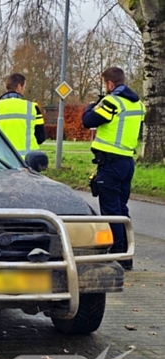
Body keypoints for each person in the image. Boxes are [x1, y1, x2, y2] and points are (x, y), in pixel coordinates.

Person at [82, 67, 145, 270]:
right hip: (127, 161)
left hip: (110, 163)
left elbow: (88, 121)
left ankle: (116, 255)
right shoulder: (138, 104)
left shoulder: (111, 102)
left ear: (109, 84)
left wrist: (91, 106)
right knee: (121, 210)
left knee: (110, 211)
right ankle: (126, 257)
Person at [0, 73, 46, 156]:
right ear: (19, 87)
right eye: (24, 87)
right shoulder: (32, 107)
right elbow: (40, 138)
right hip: (26, 161)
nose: (24, 90)